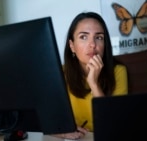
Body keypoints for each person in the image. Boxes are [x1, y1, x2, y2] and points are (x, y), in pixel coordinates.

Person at [52, 11, 128, 140]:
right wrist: (63, 132)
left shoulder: (118, 71)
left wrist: (94, 83)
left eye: (99, 37)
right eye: (83, 37)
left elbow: (113, 125)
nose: (93, 44)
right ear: (72, 46)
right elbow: (47, 121)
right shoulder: (59, 74)